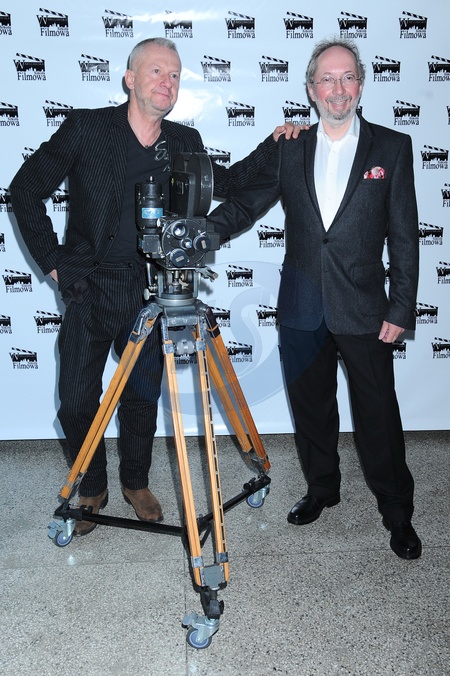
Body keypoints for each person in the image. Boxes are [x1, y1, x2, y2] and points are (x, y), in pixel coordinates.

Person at [10, 37, 299, 536]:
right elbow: (25, 189)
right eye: (157, 72)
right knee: (76, 401)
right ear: (130, 79)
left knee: (141, 397)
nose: (168, 82)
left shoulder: (184, 141)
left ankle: (135, 481)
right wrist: (54, 264)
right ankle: (92, 484)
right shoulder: (86, 128)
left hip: (152, 287)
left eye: (175, 75)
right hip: (90, 286)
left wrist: (275, 144)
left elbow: (228, 184)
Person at [207, 38, 421, 560]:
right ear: (310, 89)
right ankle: (322, 489)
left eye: (347, 77)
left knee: (378, 415)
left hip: (365, 308)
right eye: (327, 79)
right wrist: (201, 235)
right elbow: (245, 202)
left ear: (360, 85)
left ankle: (398, 512)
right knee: (311, 409)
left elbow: (405, 235)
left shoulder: (392, 147)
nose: (337, 88)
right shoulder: (291, 146)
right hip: (302, 304)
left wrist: (401, 307)